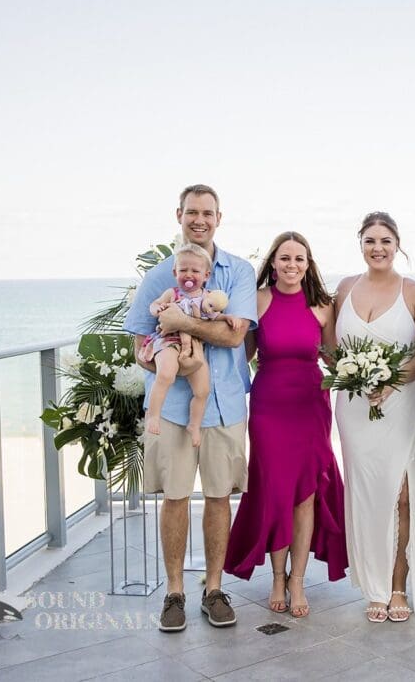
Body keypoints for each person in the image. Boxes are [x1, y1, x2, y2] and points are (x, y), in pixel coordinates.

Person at [125, 184, 256, 633]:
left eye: (208, 213)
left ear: (220, 217)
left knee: (220, 498)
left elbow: (235, 336)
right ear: (178, 215)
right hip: (173, 408)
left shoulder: (238, 272)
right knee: (175, 499)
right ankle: (175, 593)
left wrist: (181, 322)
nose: (199, 220)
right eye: (192, 213)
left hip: (226, 403)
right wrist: (150, 354)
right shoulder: (160, 274)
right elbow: (140, 338)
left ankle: (214, 589)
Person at [334, 211, 415, 624]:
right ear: (361, 244)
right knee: (366, 495)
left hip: (402, 403)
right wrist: (351, 373)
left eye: (386, 240)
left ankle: (399, 584)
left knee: (402, 495)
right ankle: (374, 586)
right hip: (353, 408)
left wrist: (391, 379)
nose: (378, 248)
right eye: (370, 240)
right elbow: (327, 348)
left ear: (398, 244)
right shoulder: (345, 289)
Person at [224, 231, 348, 618]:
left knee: (306, 494)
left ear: (308, 265)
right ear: (272, 263)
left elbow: (333, 359)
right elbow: (239, 356)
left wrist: (372, 383)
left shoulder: (323, 306)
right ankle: (277, 576)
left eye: (299, 259)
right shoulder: (258, 301)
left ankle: (298, 579)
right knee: (275, 490)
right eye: (285, 258)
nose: (292, 265)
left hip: (310, 406)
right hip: (268, 407)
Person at [139, 243, 240, 447]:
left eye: (195, 271)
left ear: (206, 275)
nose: (189, 275)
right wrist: (157, 307)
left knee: (202, 390)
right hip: (168, 341)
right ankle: (154, 415)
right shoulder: (172, 293)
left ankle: (194, 425)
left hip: (193, 346)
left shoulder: (206, 298)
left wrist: (228, 318)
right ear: (175, 272)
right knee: (166, 374)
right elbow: (153, 306)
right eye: (183, 270)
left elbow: (214, 314)